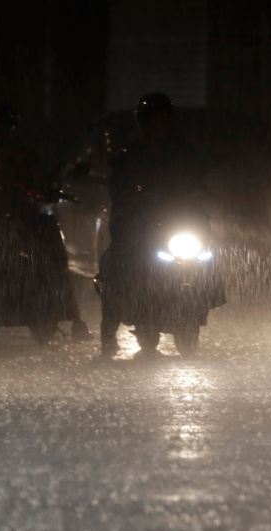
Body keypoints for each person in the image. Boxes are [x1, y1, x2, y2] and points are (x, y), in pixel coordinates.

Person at [0, 100, 90, 341]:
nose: (2, 130)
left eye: (6, 125)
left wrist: (50, 188)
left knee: (55, 255)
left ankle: (71, 313)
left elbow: (40, 176)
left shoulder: (23, 151)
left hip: (26, 214)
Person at [98, 92, 207, 356]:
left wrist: (204, 194)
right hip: (140, 220)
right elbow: (117, 187)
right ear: (144, 123)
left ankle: (203, 299)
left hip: (176, 220)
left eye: (163, 119)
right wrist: (134, 192)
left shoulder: (184, 152)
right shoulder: (129, 155)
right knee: (119, 258)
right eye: (153, 120)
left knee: (205, 255)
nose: (159, 125)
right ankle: (110, 328)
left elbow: (199, 177)